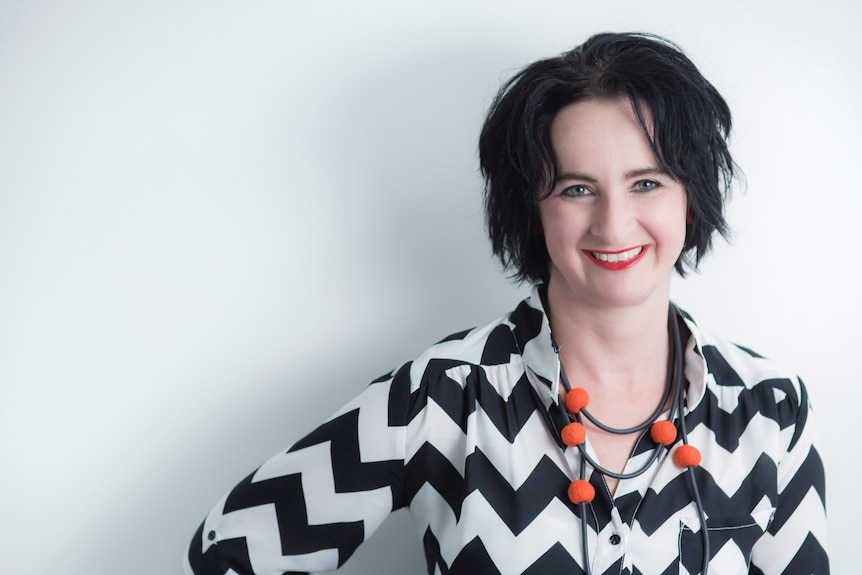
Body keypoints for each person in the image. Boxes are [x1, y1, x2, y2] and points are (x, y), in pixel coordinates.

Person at [183, 32, 828, 575]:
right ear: (531, 209)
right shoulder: (443, 396)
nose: (614, 223)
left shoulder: (770, 406)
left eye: (647, 182)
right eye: (577, 188)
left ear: (691, 199)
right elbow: (232, 552)